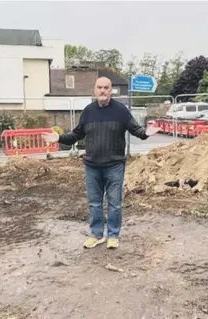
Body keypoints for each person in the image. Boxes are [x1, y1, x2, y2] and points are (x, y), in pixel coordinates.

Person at [42, 77, 161, 249]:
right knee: (94, 203)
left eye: (106, 87)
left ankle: (113, 235)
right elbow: (76, 135)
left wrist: (146, 132)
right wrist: (59, 138)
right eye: (99, 87)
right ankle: (97, 235)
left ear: (111, 90)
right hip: (92, 166)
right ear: (95, 90)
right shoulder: (89, 111)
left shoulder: (120, 110)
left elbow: (136, 129)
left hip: (114, 165)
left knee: (115, 202)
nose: (103, 91)